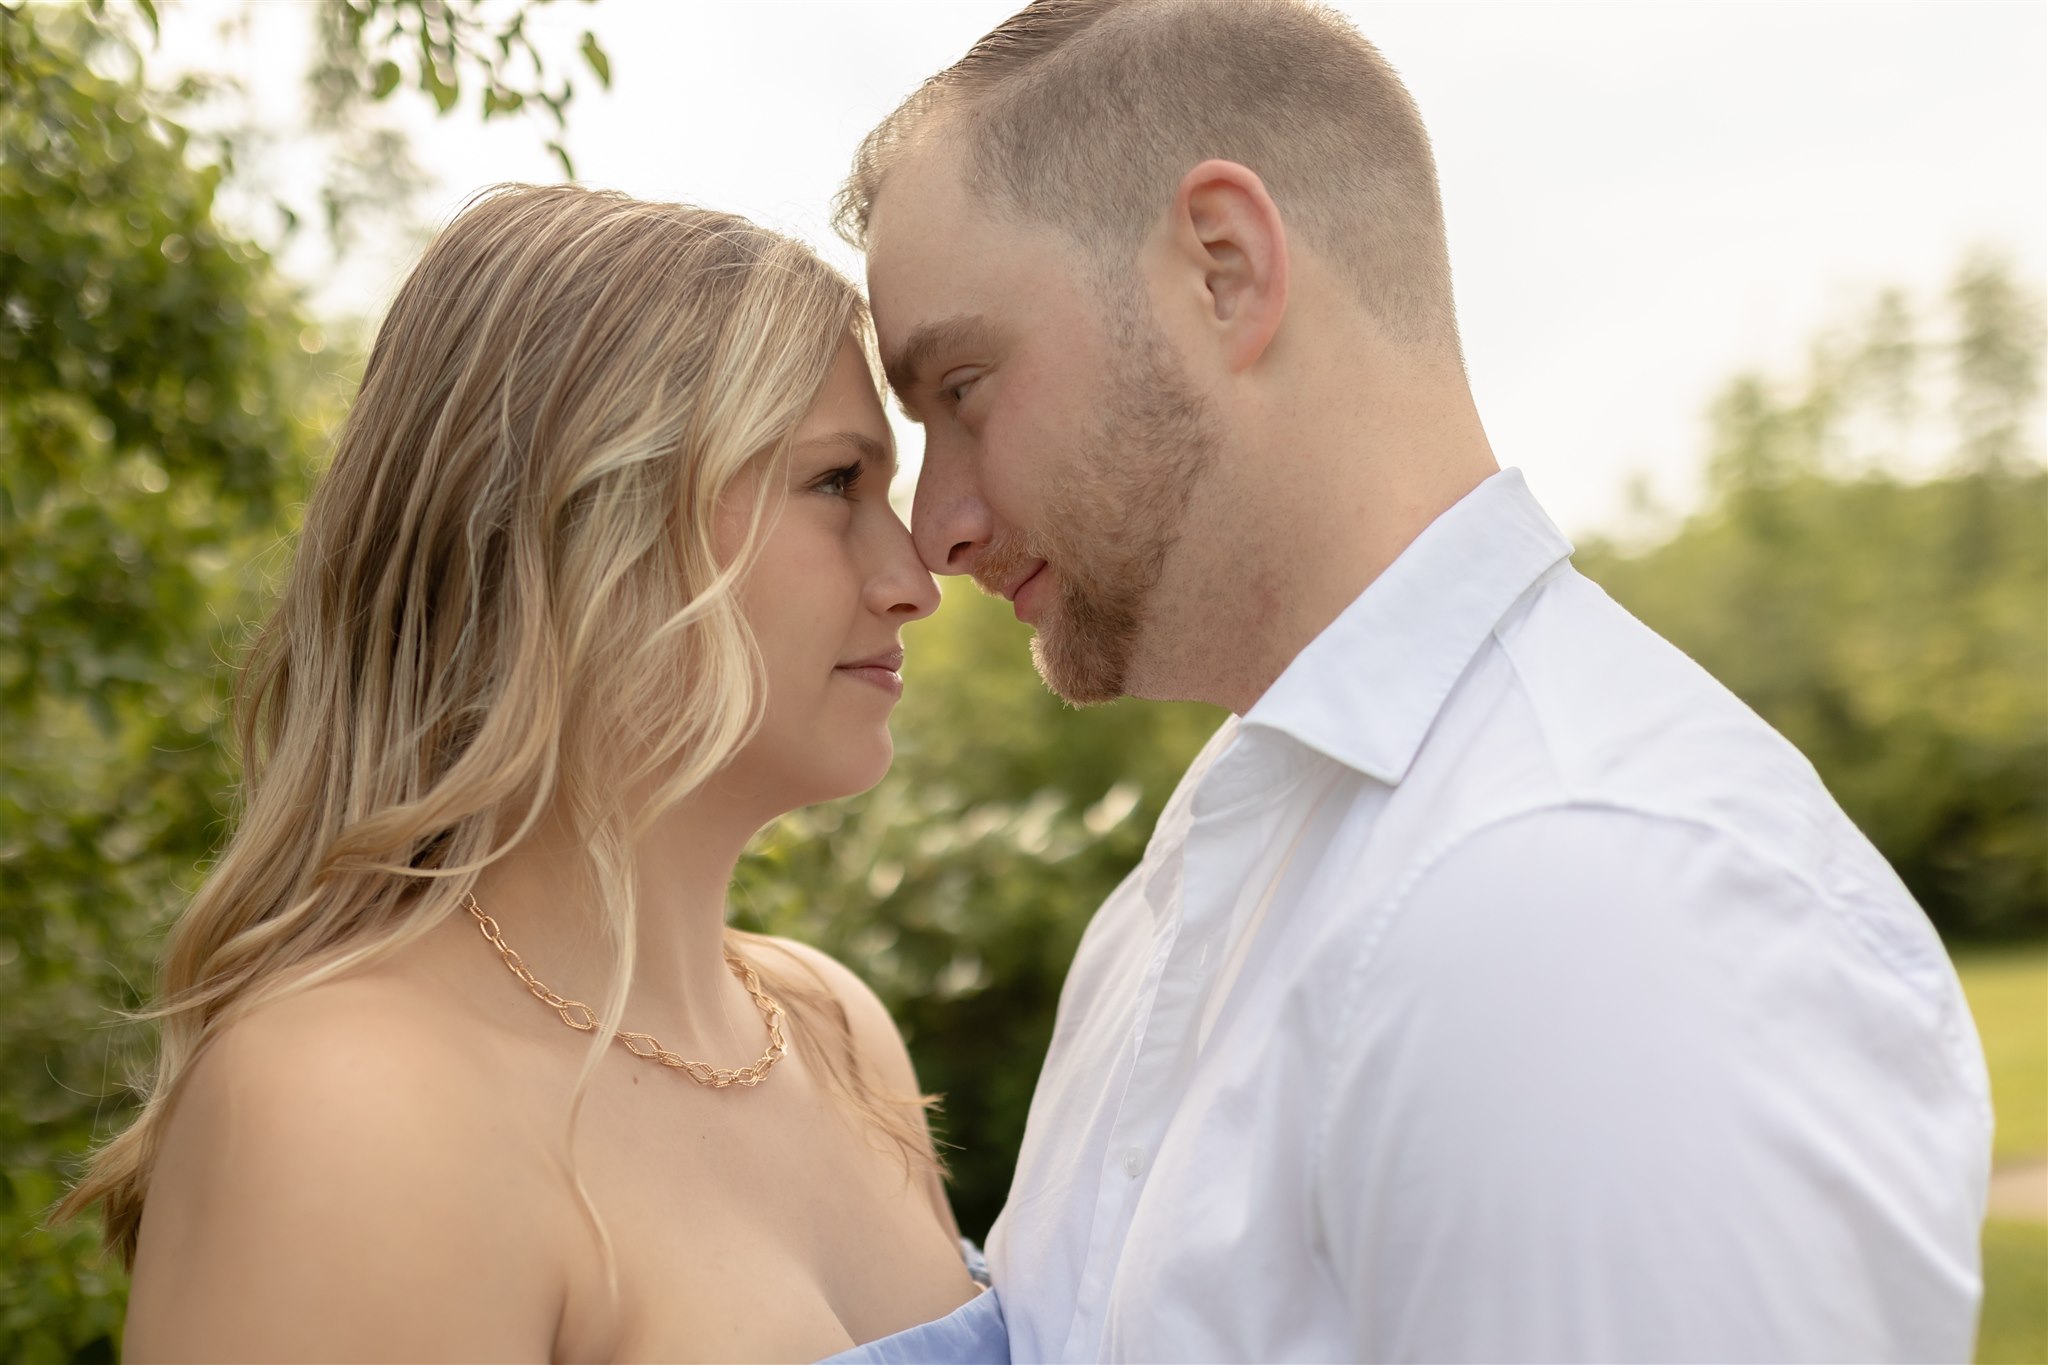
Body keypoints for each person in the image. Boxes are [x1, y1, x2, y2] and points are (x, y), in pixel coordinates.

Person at [838, 1, 1993, 1361]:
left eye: (963, 389)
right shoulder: (1211, 868)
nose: (938, 528)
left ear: (1223, 267)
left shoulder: (1587, 901)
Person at [58, 185, 1007, 1363]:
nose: (916, 574)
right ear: (583, 528)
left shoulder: (830, 1029)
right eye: (835, 484)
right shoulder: (351, 1102)